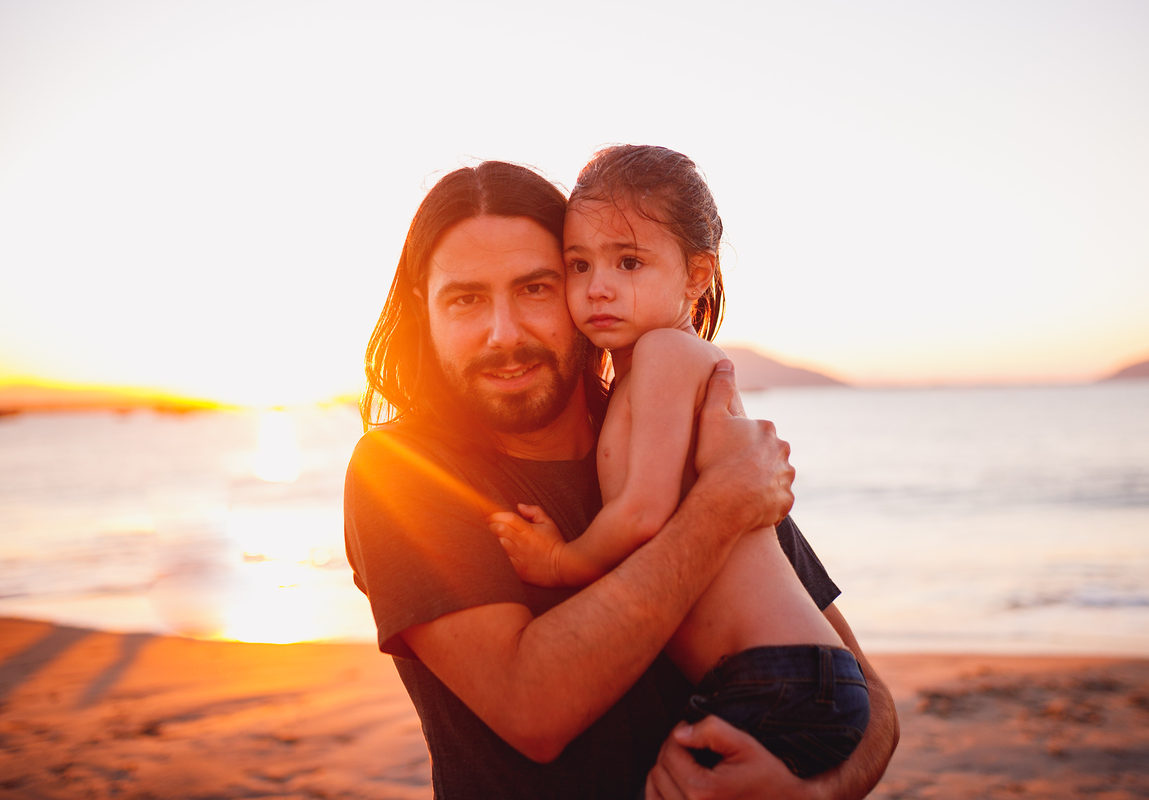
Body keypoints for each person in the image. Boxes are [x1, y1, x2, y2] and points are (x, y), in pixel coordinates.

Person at [343, 160, 898, 800]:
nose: (504, 333)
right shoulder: (405, 469)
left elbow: (864, 692)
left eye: (536, 288)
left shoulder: (674, 434)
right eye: (467, 298)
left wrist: (813, 794)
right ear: (426, 310)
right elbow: (532, 709)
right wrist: (717, 511)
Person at [487, 145, 869, 779]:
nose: (597, 287)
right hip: (788, 673)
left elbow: (644, 513)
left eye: (629, 262)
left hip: (778, 673)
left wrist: (559, 560)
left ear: (697, 275)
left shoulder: (667, 355)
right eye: (578, 265)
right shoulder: (644, 376)